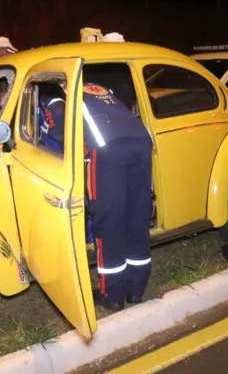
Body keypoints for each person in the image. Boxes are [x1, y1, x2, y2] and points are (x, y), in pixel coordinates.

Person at [82, 82, 153, 311]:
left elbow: (60, 131)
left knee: (109, 222)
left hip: (106, 149)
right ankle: (136, 290)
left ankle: (111, 294)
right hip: (141, 140)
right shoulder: (104, 90)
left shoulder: (65, 89)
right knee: (136, 219)